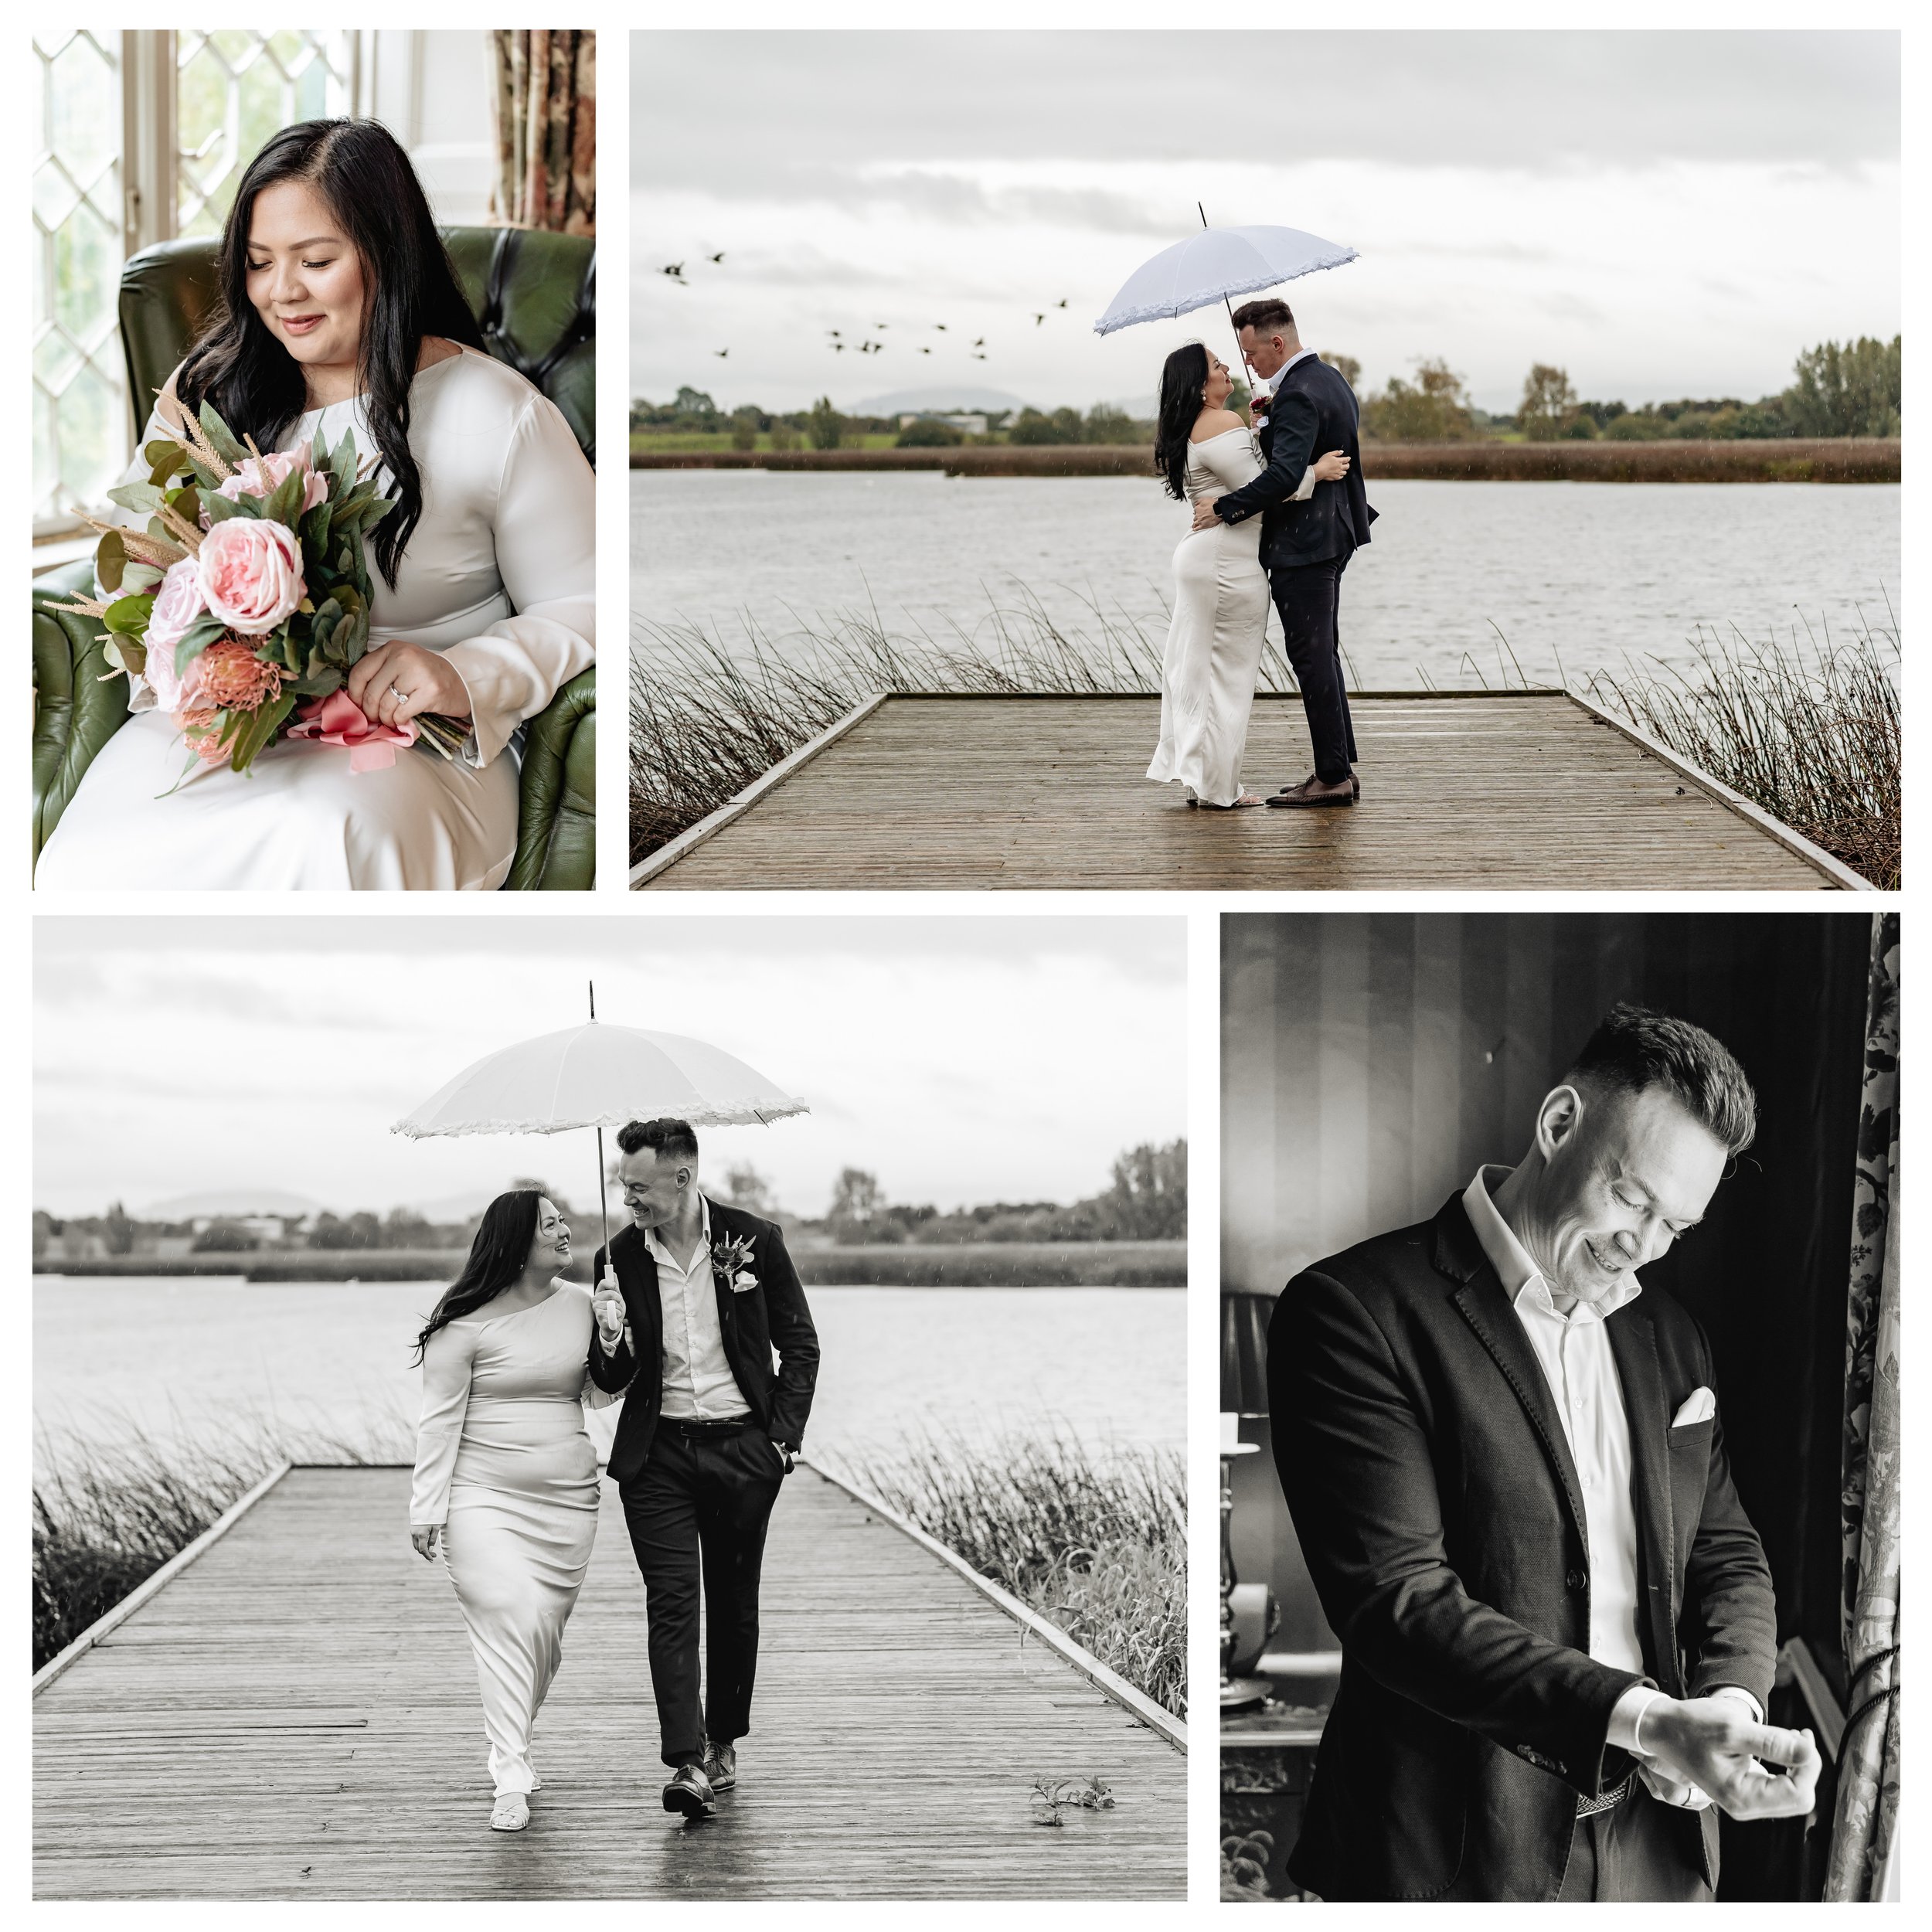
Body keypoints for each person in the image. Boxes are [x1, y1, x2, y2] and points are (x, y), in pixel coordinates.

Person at [1268, 1003, 1821, 1900]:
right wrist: (1644, 1720)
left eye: (1674, 1228)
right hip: (1447, 1855)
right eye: (1632, 1199)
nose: (1640, 1247)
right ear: (1560, 1122)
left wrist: (1726, 1704)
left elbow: (1725, 1550)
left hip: (1660, 1847)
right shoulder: (1352, 1312)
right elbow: (1400, 1603)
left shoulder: (1670, 1336)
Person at [36, 117, 594, 891]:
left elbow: (587, 600)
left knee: (322, 838)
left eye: (316, 261)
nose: (280, 292)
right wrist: (197, 656)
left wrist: (463, 673)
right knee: (97, 859)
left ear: (384, 256)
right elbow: (134, 559)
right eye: (260, 264)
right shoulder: (208, 394)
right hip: (221, 729)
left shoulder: (495, 412)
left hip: (405, 746)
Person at [587, 1117, 820, 1818]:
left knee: (733, 1600)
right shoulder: (616, 1257)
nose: (628, 1199)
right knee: (672, 1603)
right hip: (656, 1455)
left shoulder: (755, 1241)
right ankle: (687, 1760)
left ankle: (723, 1743)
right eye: (623, 1186)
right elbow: (613, 1377)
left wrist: (780, 1441)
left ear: (683, 1178)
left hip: (744, 1450)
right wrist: (609, 1333)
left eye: (640, 1187)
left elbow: (800, 1346)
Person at [409, 1191, 610, 1832]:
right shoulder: (463, 1324)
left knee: (541, 1638)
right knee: (508, 1614)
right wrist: (427, 1507)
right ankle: (510, 1774)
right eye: (548, 1224)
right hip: (481, 1496)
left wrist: (612, 1333)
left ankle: (513, 1747)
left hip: (568, 1499)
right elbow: (438, 1423)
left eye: (562, 1221)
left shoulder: (582, 1303)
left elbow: (602, 1394)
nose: (564, 1230)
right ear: (515, 1240)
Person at [1146, 342, 1350, 809]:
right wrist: (1314, 472)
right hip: (1227, 562)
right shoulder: (1221, 422)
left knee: (1199, 670)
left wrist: (1263, 427)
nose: (1227, 369)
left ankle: (1203, 780)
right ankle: (1220, 788)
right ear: (1201, 387)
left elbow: (1245, 479)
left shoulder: (1192, 427)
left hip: (1207, 557)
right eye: (1217, 366)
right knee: (1227, 676)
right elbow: (1267, 485)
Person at [1194, 298, 1375, 808]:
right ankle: (1341, 767)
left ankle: (1333, 777)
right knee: (1324, 653)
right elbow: (1318, 435)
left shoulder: (1296, 394)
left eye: (1252, 352)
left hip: (1305, 542)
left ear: (1278, 342)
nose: (1248, 362)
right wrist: (1274, 418)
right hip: (1338, 530)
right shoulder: (1328, 379)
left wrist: (1224, 506)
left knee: (1311, 655)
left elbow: (1280, 478)